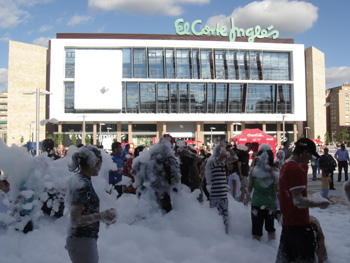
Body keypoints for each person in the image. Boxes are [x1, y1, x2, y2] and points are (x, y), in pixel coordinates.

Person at [276, 138, 331, 263]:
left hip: (288, 223)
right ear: (305, 152)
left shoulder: (285, 166)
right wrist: (319, 203)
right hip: (299, 225)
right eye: (310, 155)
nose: (310, 158)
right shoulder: (296, 170)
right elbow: (298, 201)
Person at [66, 145, 117, 263]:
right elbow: (75, 220)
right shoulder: (82, 184)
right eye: (100, 164)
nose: (100, 168)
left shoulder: (80, 180)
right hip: (82, 241)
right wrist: (102, 215)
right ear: (95, 162)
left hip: (81, 240)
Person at [247, 144, 278, 241]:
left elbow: (249, 188)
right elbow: (278, 190)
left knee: (256, 232)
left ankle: (257, 252)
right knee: (270, 229)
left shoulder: (254, 172)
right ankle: (271, 249)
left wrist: (246, 199)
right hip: (270, 203)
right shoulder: (274, 172)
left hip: (257, 202)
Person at [205, 142, 229, 233]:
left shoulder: (222, 162)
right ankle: (217, 237)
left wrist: (228, 148)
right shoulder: (213, 161)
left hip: (223, 196)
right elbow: (223, 155)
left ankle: (225, 237)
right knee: (217, 220)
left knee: (225, 220)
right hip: (216, 196)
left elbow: (234, 158)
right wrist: (223, 147)